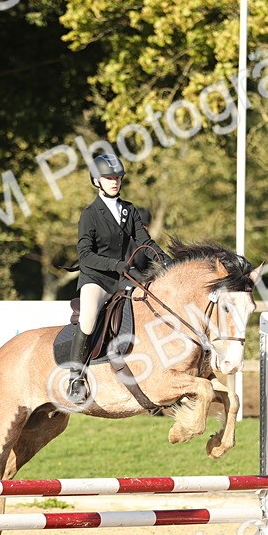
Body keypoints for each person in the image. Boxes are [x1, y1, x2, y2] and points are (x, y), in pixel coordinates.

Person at [67, 153, 169, 404]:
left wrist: (165, 259)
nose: (114, 182)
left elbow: (144, 241)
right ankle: (75, 377)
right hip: (97, 278)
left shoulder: (129, 209)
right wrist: (115, 264)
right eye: (109, 178)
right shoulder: (90, 214)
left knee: (152, 304)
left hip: (125, 276)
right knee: (89, 320)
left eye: (118, 178)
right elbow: (85, 255)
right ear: (97, 181)